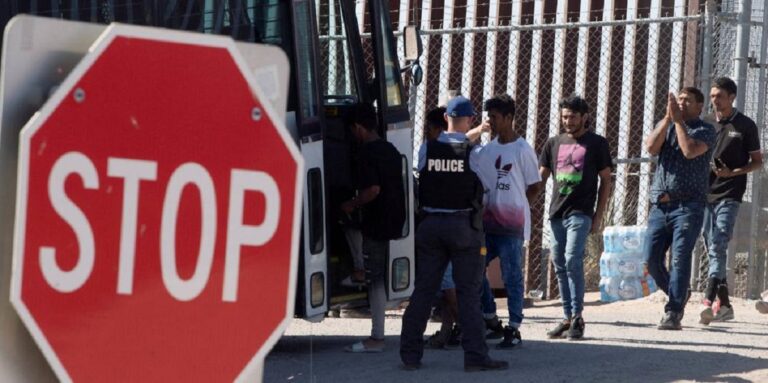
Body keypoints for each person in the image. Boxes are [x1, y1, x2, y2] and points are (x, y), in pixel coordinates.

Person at [400, 96, 508, 371]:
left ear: (446, 117)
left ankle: (410, 355)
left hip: (430, 226)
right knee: (468, 293)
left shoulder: (427, 149)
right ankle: (475, 356)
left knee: (423, 291)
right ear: (471, 119)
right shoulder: (475, 154)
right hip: (462, 227)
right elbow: (485, 189)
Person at [470, 94, 542, 348]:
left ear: (509, 118)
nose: (491, 122)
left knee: (512, 277)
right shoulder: (487, 151)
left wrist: (519, 208)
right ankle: (490, 318)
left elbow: (534, 185)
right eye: (488, 117)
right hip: (488, 226)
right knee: (475, 269)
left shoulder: (523, 150)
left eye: (495, 117)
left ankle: (514, 327)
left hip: (511, 228)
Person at [539, 95, 612, 340]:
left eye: (572, 117)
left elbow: (606, 180)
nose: (568, 121)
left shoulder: (597, 143)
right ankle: (567, 317)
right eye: (564, 117)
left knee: (572, 259)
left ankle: (578, 317)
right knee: (559, 263)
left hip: (580, 213)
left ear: (584, 117)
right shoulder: (553, 143)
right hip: (556, 213)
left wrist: (598, 215)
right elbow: (541, 178)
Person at [643, 87, 716, 330]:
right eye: (680, 100)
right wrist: (667, 119)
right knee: (651, 259)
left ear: (699, 107)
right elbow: (651, 147)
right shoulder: (668, 124)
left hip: (688, 205)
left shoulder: (705, 130)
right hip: (660, 206)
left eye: (688, 101)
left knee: (680, 258)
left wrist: (677, 122)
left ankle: (673, 311)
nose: (682, 104)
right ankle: (679, 293)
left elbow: (689, 150)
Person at [341, 103, 406, 352]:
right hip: (392, 220)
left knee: (375, 279)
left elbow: (372, 190)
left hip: (376, 221)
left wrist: (350, 204)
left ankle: (376, 338)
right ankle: (358, 270)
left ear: (358, 127)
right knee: (353, 234)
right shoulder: (390, 149)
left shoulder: (367, 153)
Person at [698, 77, 762, 325]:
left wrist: (732, 173)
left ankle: (707, 299)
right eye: (713, 96)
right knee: (712, 246)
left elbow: (757, 162)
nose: (715, 100)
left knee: (720, 240)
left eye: (720, 96)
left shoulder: (745, 125)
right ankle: (724, 305)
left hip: (730, 193)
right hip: (704, 194)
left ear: (732, 97)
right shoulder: (704, 124)